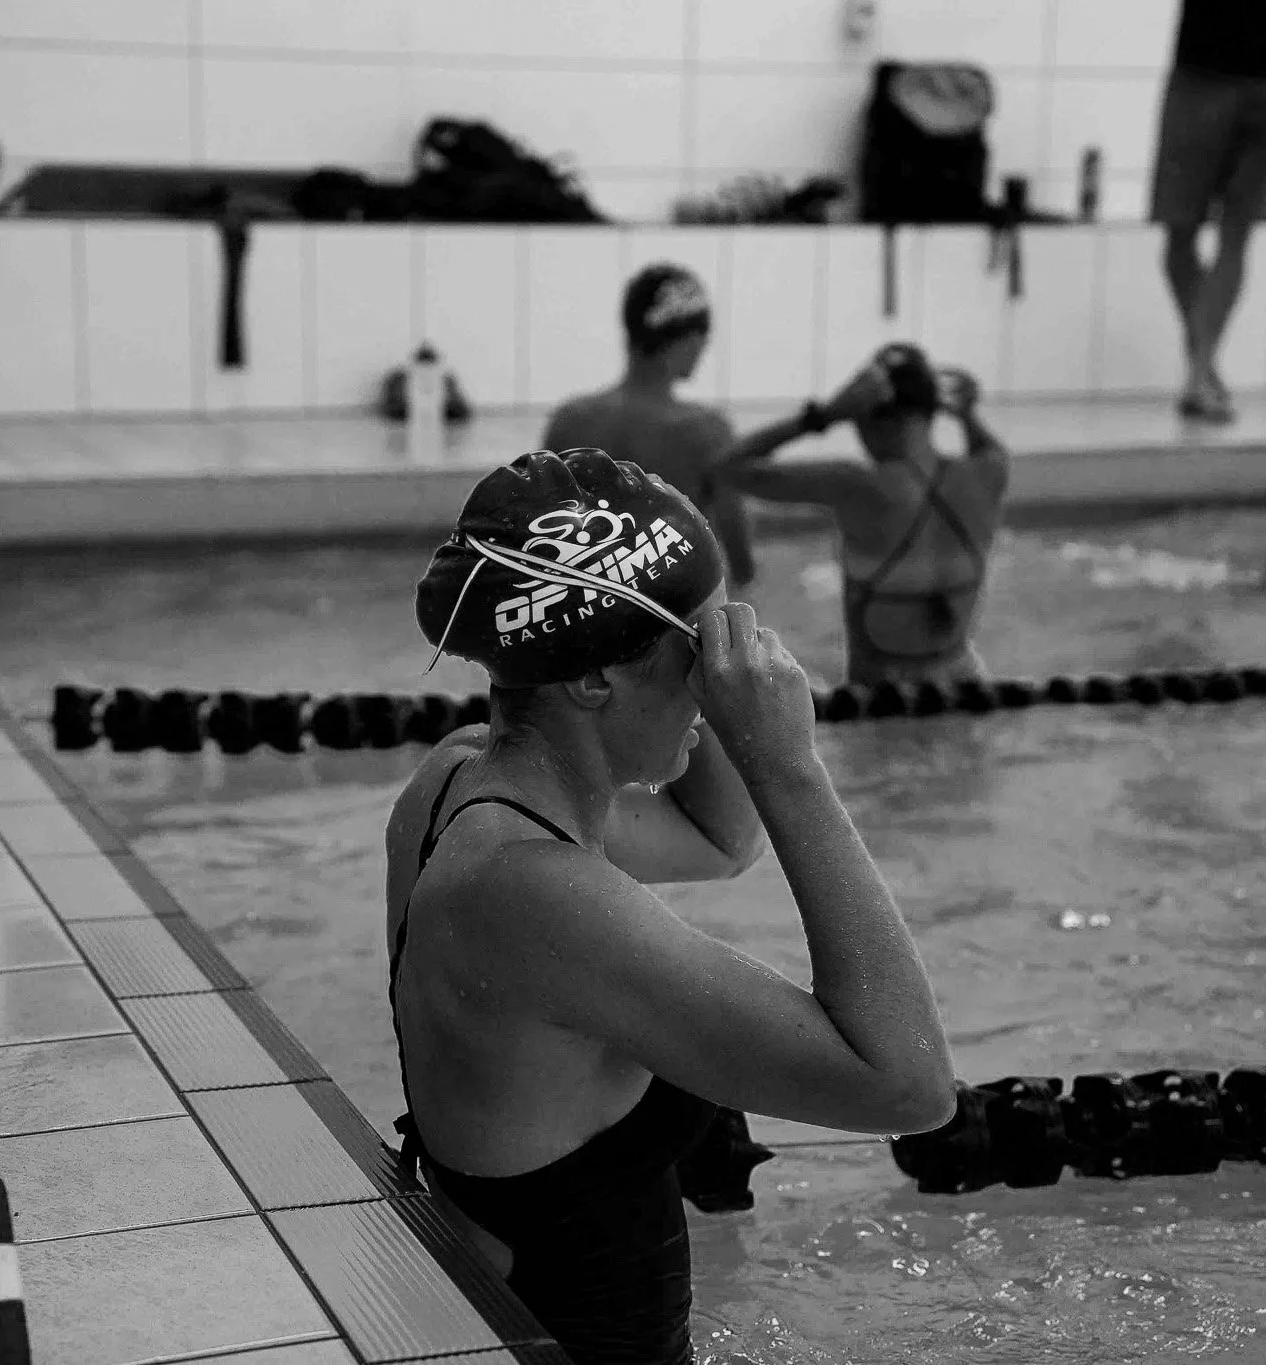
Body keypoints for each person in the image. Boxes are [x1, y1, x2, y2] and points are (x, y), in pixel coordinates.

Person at [390, 448, 957, 1365]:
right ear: (592, 678)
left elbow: (721, 840)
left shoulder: (457, 780)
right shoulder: (540, 897)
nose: (721, 674)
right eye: (697, 649)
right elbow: (910, 1085)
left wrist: (730, 681)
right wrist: (790, 767)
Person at [713, 344, 1009, 688]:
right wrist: (968, 415)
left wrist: (824, 416)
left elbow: (725, 468)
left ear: (870, 419)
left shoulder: (858, 485)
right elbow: (988, 447)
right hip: (968, 687)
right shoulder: (989, 473)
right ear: (933, 412)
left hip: (880, 705)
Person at [1151, 0, 1266, 422]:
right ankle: (1204, 367)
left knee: (1235, 237)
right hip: (1201, 79)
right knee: (1181, 234)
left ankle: (1199, 373)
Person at [542, 263, 758, 586]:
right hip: (673, 617)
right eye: (703, 334)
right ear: (688, 337)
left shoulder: (569, 422)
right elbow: (742, 567)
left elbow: (540, 543)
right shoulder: (708, 432)